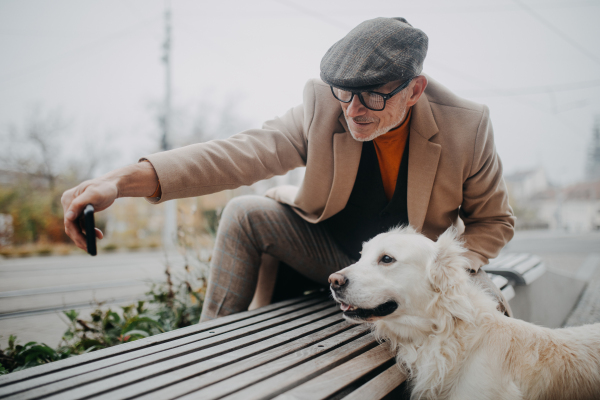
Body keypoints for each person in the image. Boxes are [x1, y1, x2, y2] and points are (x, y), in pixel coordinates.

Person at [62, 17, 515, 323]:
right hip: (328, 256)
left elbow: (493, 221)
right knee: (244, 212)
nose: (354, 110)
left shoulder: (465, 124)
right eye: (344, 92)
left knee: (492, 315)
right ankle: (206, 349)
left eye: (373, 96)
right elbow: (236, 155)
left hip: (413, 272)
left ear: (414, 89)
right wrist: (117, 182)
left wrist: (445, 270)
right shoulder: (324, 107)